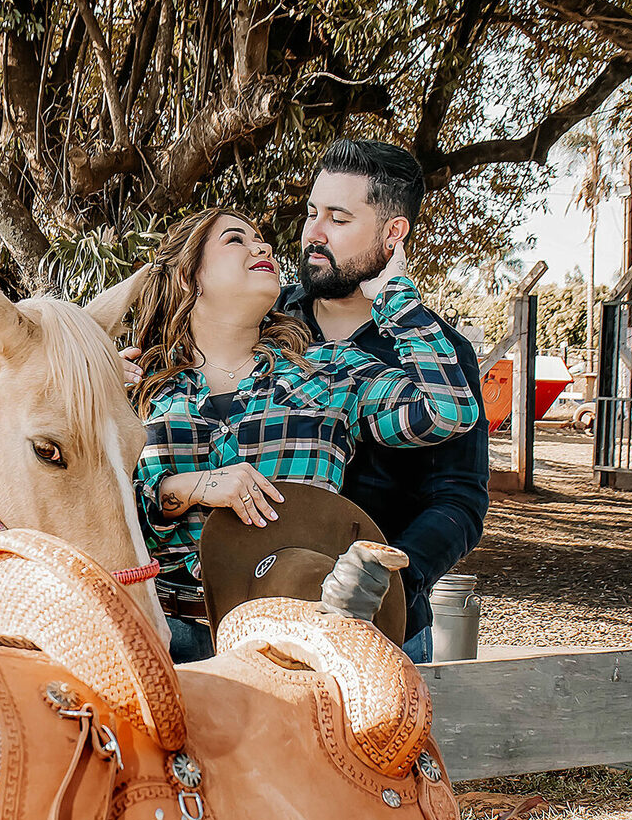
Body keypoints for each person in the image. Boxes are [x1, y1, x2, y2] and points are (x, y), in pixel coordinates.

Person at [128, 203, 478, 663]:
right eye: (235, 240)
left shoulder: (330, 371)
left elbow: (450, 411)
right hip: (162, 637)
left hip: (294, 640)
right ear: (188, 277)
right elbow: (94, 518)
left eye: (262, 240)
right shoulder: (136, 386)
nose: (263, 247)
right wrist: (189, 488)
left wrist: (393, 296)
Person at [274, 139, 490, 665]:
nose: (314, 232)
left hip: (382, 633)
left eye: (339, 218)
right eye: (312, 213)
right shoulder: (262, 323)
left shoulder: (439, 355)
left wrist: (389, 582)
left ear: (393, 234)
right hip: (254, 608)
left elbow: (459, 501)